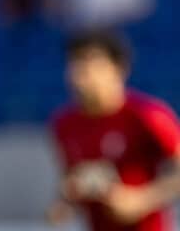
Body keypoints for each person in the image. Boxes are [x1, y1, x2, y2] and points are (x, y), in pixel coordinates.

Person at [48, 31, 180, 231]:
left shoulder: (147, 115)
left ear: (118, 68)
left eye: (91, 63)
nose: (81, 73)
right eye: (75, 63)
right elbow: (71, 181)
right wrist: (65, 203)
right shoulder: (64, 124)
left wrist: (141, 200)